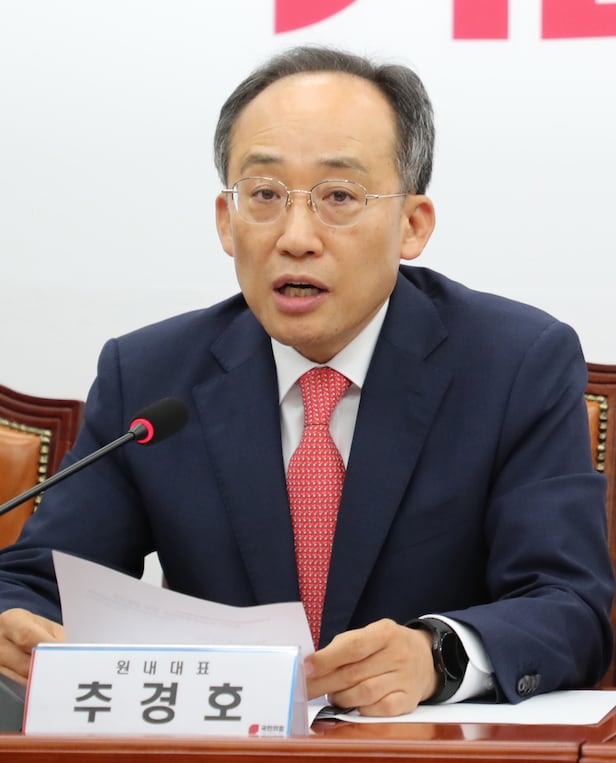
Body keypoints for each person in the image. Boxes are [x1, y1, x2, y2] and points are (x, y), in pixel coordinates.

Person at [0, 45, 612, 717]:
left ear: (412, 225)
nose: (296, 237)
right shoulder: (149, 377)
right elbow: (38, 580)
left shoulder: (513, 364)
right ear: (226, 219)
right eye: (264, 195)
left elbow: (569, 605)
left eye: (339, 197)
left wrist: (436, 654)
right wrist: (19, 624)